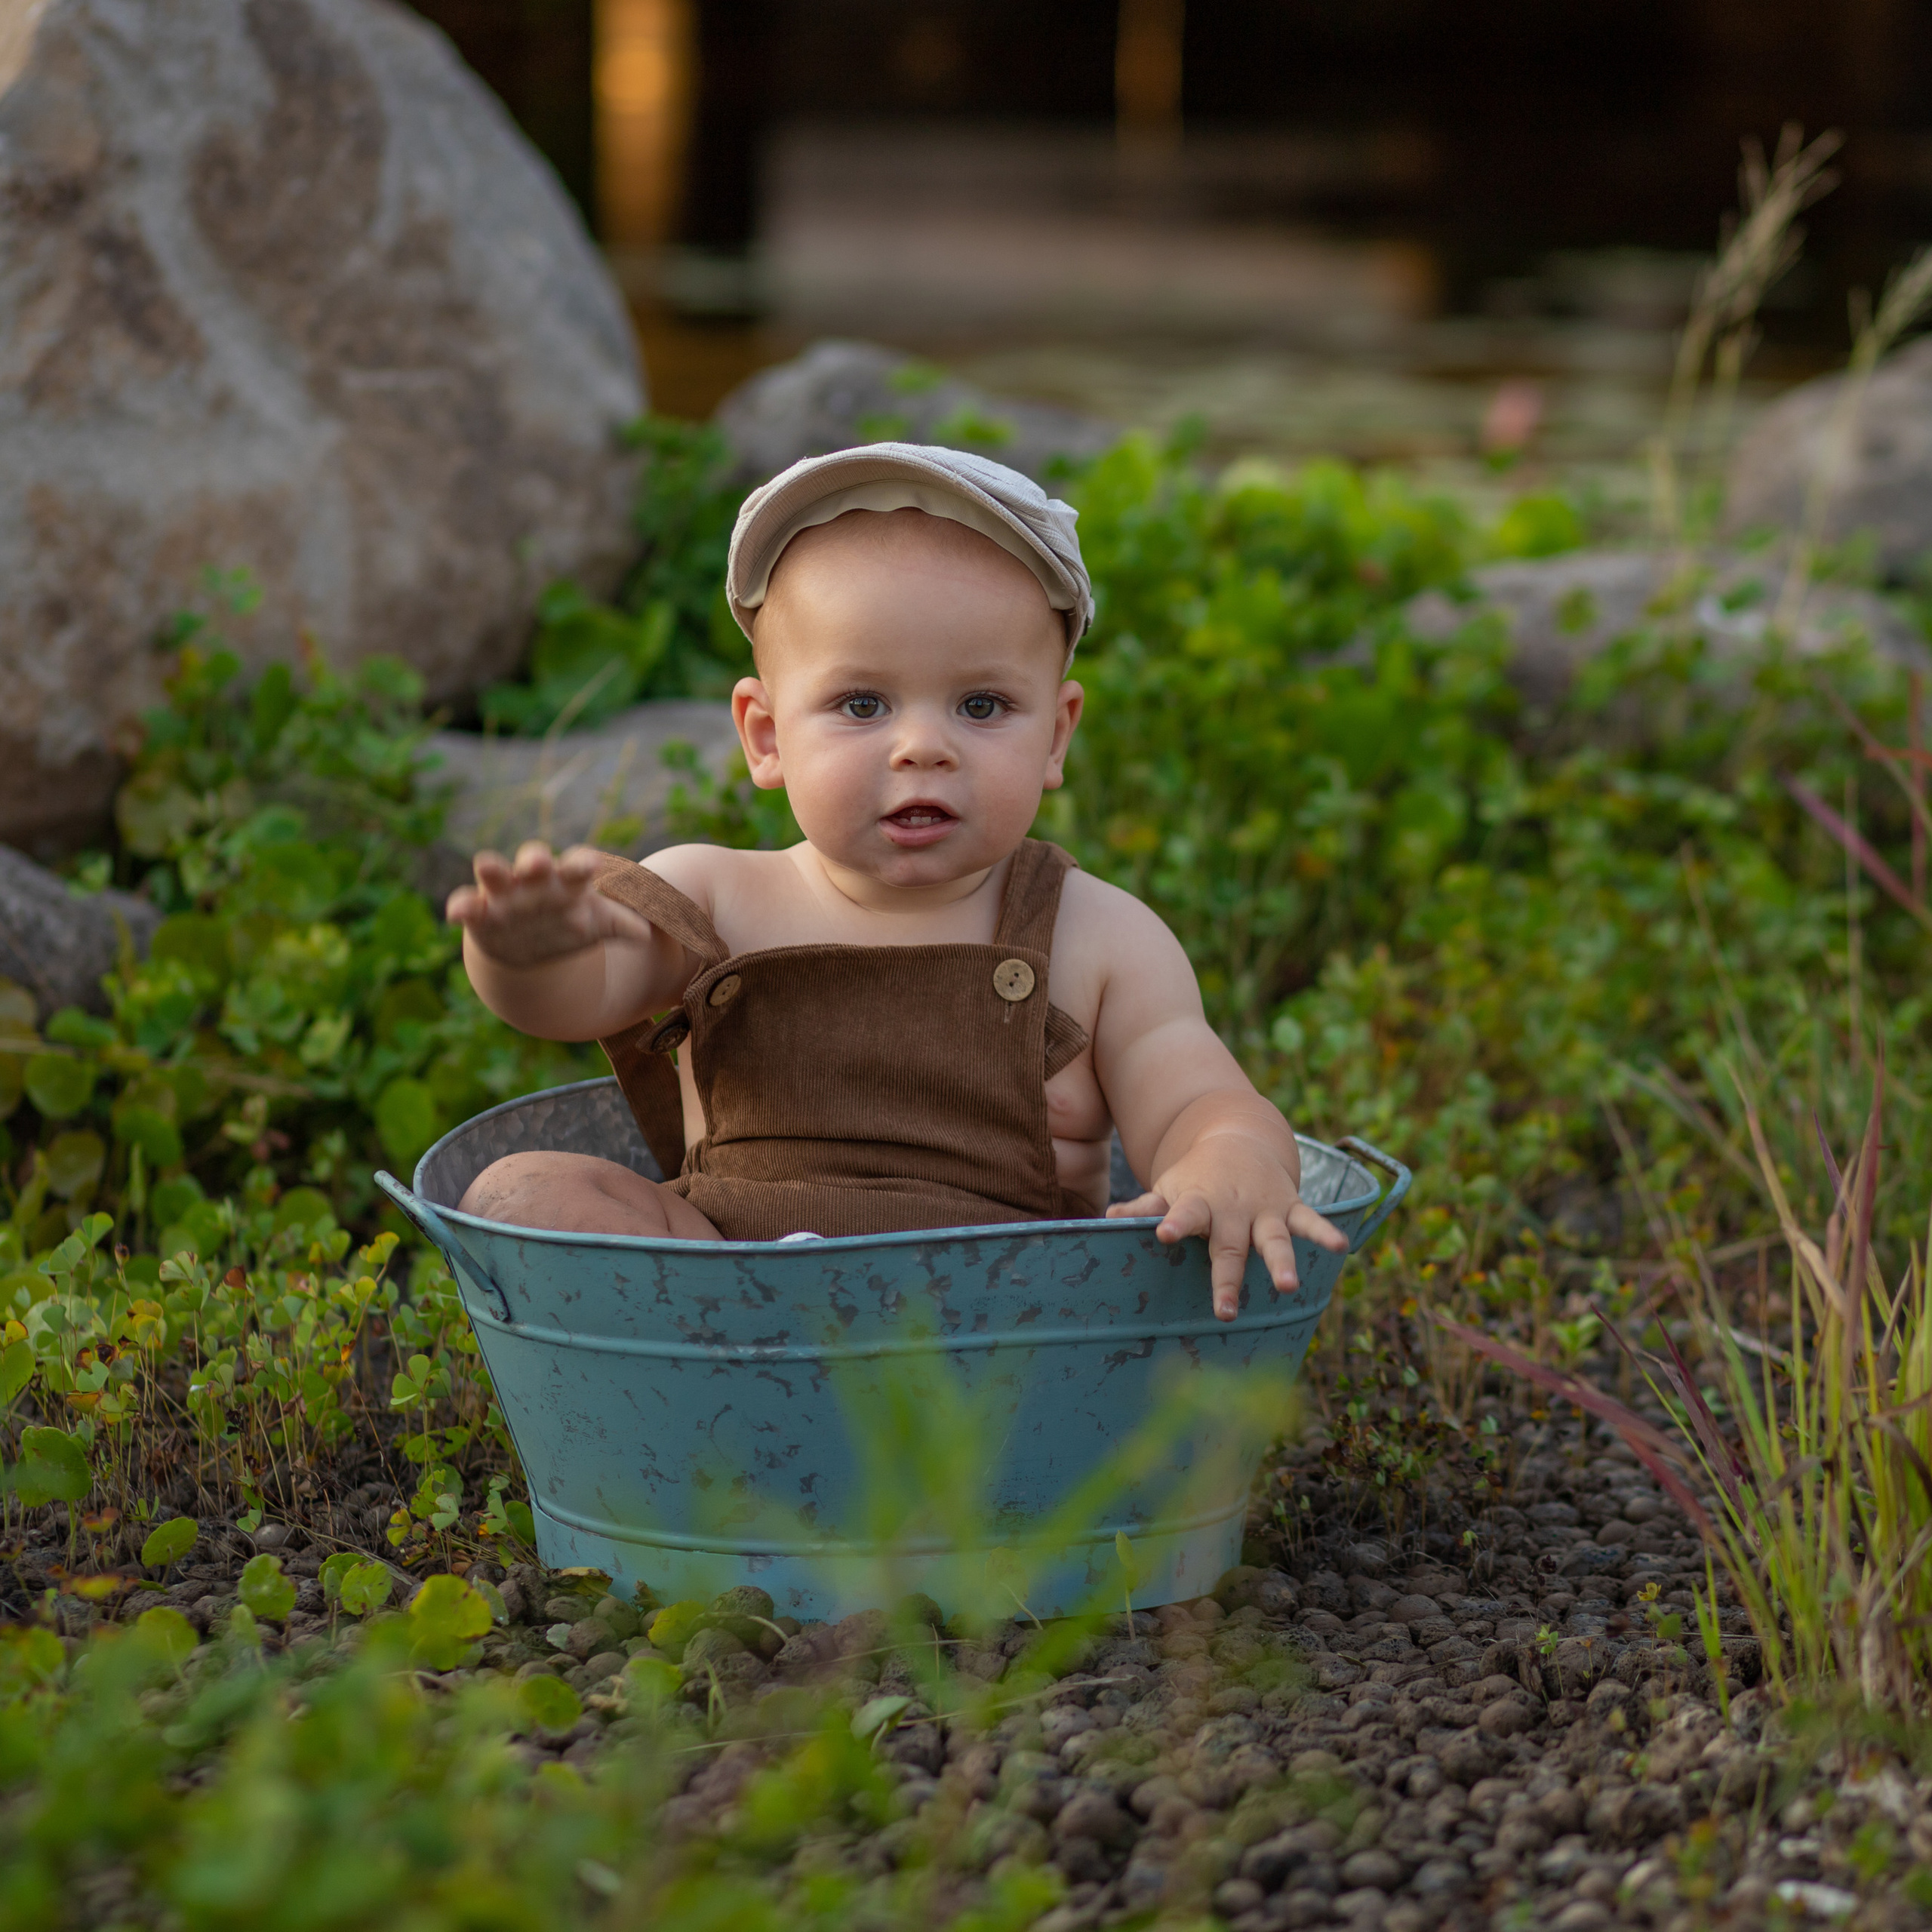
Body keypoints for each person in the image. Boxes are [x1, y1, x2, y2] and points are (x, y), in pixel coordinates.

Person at [445, 444, 1345, 1321]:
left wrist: (1227, 1156)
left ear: (1057, 736)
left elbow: (1193, 1096)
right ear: (763, 735)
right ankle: (709, 1403)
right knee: (520, 1190)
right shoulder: (711, 895)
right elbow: (582, 991)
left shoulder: (1098, 937)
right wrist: (526, 954)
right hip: (725, 1292)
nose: (924, 746)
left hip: (1007, 1326)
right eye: (862, 704)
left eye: (982, 705)